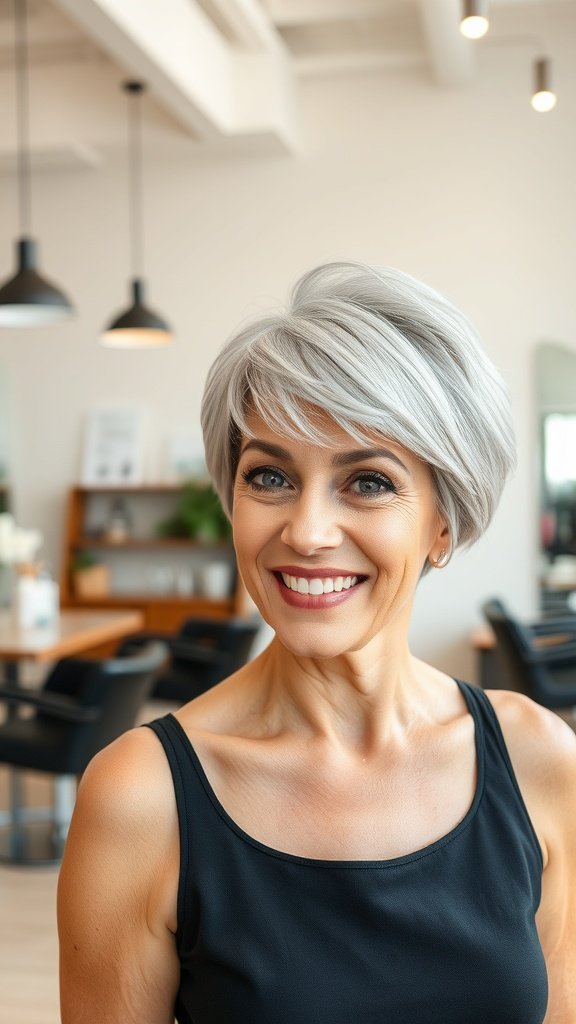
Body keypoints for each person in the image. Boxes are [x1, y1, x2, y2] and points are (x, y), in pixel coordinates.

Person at [58, 261, 575, 1024]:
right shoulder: (142, 797)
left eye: (367, 482)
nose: (305, 531)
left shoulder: (540, 760)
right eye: (269, 477)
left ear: (442, 522)